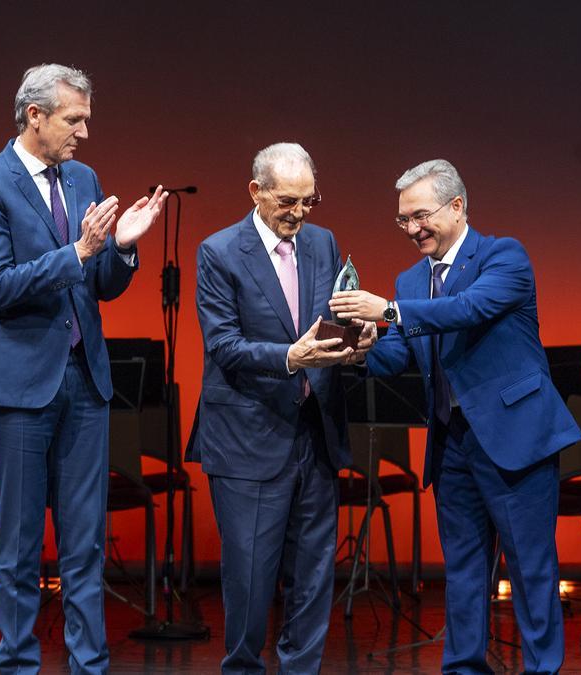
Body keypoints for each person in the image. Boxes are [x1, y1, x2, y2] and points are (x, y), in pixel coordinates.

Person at [330, 159, 581, 674]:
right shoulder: (410, 280)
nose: (412, 229)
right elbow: (397, 354)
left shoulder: (502, 256)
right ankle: (463, 668)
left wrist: (390, 311)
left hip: (515, 437)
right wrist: (357, 346)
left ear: (457, 206)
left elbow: (468, 309)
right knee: (464, 570)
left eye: (420, 215)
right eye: (403, 219)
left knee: (530, 567)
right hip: (452, 442)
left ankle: (542, 669)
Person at [0, 63, 166, 674]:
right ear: (35, 116)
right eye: (74, 120)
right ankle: (20, 666)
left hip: (83, 380)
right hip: (18, 387)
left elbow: (98, 283)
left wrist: (122, 246)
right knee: (20, 548)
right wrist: (77, 251)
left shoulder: (82, 178)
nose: (84, 133)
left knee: (85, 545)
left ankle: (88, 667)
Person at [188, 142, 375, 674]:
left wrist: (359, 340)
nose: (299, 213)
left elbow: (334, 319)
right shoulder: (220, 252)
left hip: (315, 436)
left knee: (313, 578)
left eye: (308, 201)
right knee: (249, 581)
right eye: (287, 201)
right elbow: (223, 346)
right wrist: (291, 357)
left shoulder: (322, 241)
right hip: (248, 437)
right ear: (256, 192)